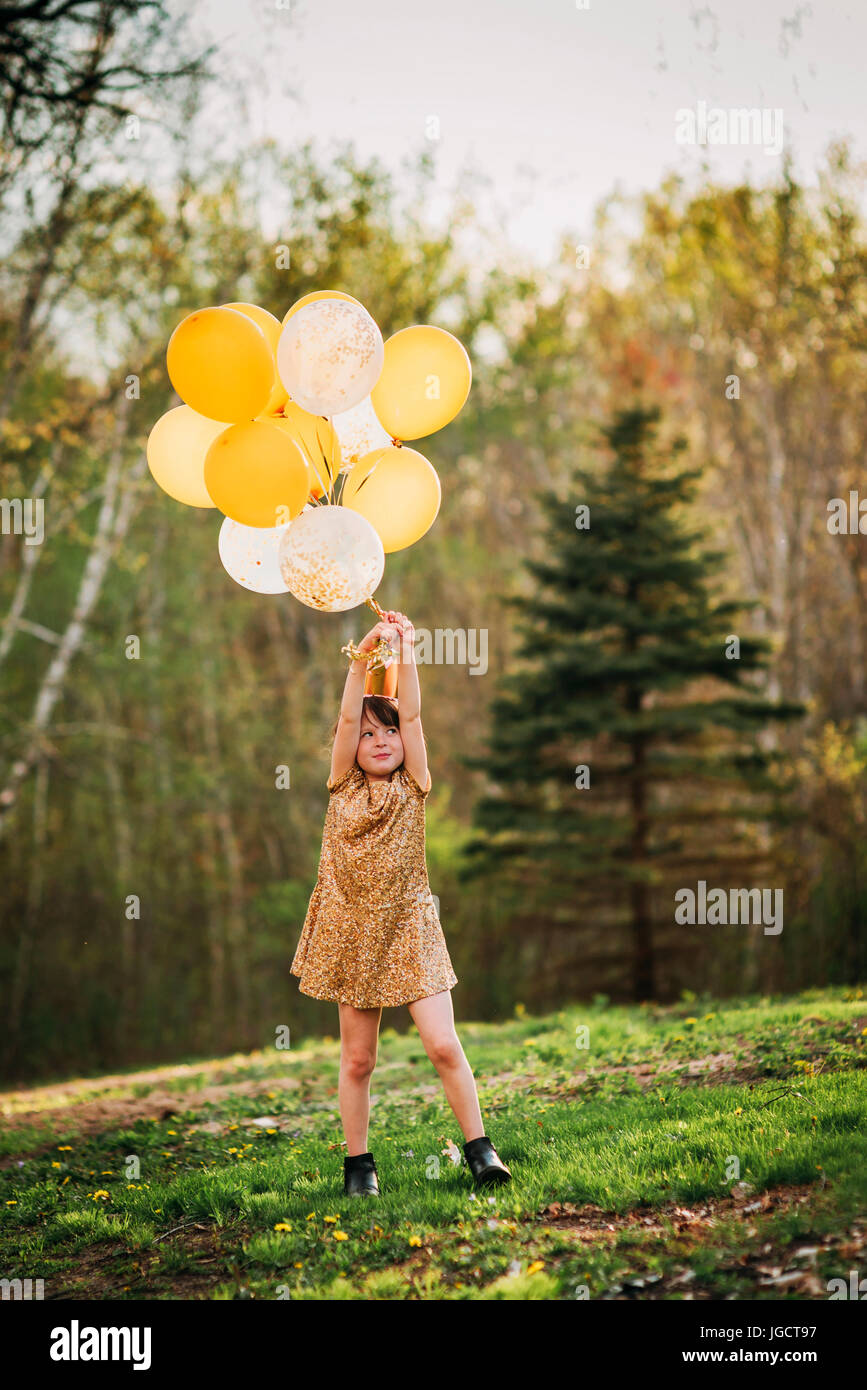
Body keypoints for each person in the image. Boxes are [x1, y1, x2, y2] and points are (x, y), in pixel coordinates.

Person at [290, 608, 512, 1197]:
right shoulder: (341, 784)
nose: (381, 740)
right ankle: (360, 1168)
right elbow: (345, 716)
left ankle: (481, 1151)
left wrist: (406, 647)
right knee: (359, 1060)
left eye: (387, 732)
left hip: (410, 927)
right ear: (352, 746)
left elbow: (409, 712)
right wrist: (364, 655)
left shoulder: (415, 785)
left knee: (443, 1043)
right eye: (369, 733)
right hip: (351, 933)